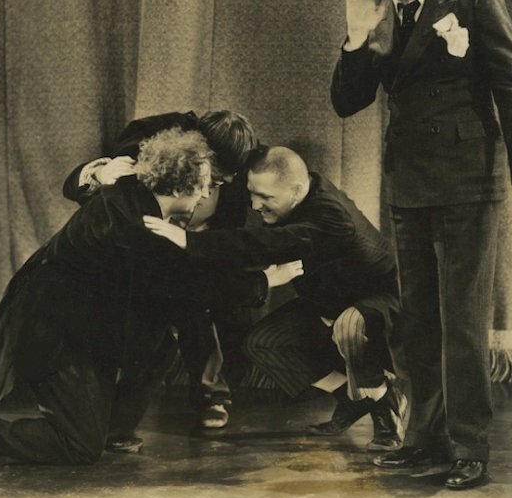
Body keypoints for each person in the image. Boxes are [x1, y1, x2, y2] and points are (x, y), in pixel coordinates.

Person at [330, 0, 512, 489]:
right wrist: (355, 42)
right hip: (409, 185)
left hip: (469, 180)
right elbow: (346, 102)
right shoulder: (378, 18)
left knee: (462, 321)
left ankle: (469, 446)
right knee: (417, 322)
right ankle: (423, 439)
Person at [0, 128, 302, 465]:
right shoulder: (134, 224)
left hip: (86, 324)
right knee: (79, 447)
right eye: (201, 185)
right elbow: (188, 283)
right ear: (180, 184)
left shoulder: (136, 195)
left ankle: (112, 427)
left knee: (161, 336)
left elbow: (180, 271)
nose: (204, 195)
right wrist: (265, 282)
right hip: (56, 334)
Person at [144, 145, 406, 452]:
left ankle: (385, 408)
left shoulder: (332, 216)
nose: (255, 205)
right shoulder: (301, 188)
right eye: (252, 193)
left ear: (295, 190)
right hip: (329, 301)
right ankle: (350, 398)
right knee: (262, 344)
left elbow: (268, 243)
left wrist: (190, 240)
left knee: (349, 326)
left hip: (379, 301)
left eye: (265, 198)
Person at [62, 110, 258, 437]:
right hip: (132, 255)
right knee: (144, 334)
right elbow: (88, 188)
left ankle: (211, 395)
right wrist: (98, 172)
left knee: (197, 303)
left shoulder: (236, 172)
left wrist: (198, 248)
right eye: (213, 177)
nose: (213, 188)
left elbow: (227, 235)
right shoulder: (148, 139)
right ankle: (103, 415)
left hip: (189, 251)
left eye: (223, 181)